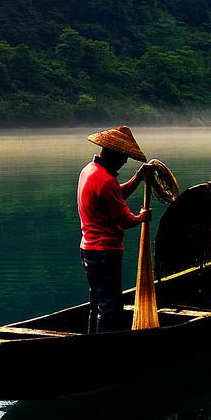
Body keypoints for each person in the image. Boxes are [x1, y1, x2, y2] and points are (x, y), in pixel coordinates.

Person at [79, 125, 154, 333]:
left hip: (88, 249)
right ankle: (106, 349)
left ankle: (92, 340)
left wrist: (138, 177)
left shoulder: (89, 171)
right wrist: (141, 217)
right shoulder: (105, 180)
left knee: (97, 303)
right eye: (123, 157)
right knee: (110, 306)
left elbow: (114, 197)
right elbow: (124, 220)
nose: (124, 161)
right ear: (113, 153)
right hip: (105, 252)